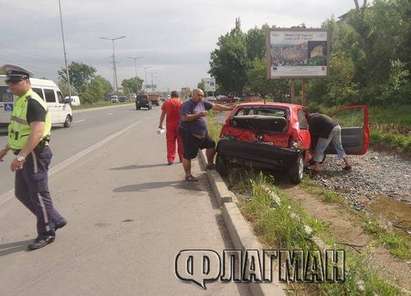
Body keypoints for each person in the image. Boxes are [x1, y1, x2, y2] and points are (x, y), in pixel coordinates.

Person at [0, 65, 66, 251]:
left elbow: (36, 133)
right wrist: (6, 149)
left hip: (34, 154)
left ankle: (47, 232)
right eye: (9, 83)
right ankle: (54, 219)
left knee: (38, 194)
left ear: (26, 82)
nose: (11, 86)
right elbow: (19, 131)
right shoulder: (21, 101)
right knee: (21, 193)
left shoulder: (33, 102)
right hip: (26, 153)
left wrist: (21, 157)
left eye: (15, 82)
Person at [179, 89, 233, 182]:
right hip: (190, 134)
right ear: (193, 95)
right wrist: (199, 114)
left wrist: (230, 108)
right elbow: (185, 118)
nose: (201, 97)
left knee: (211, 144)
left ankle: (210, 164)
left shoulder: (202, 103)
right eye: (199, 95)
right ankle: (188, 175)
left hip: (202, 133)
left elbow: (216, 106)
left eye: (202, 95)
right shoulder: (187, 104)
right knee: (188, 155)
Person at [158, 91, 183, 165]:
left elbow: (163, 114)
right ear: (178, 96)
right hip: (180, 125)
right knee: (181, 142)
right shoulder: (181, 103)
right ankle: (182, 158)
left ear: (171, 96)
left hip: (170, 126)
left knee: (170, 142)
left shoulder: (166, 103)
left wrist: (160, 124)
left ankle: (170, 159)